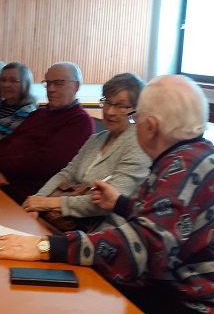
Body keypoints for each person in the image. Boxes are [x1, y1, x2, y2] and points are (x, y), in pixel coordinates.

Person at [0, 75, 214, 314]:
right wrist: (122, 204)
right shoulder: (196, 154)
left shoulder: (181, 168)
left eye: (136, 117)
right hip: (179, 295)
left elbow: (142, 250)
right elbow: (171, 222)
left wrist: (46, 246)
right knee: (73, 296)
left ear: (150, 126)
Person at [22, 72, 150, 231]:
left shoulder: (139, 145)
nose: (110, 112)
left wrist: (50, 203)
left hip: (104, 230)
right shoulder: (96, 139)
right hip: (67, 222)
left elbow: (109, 201)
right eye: (107, 102)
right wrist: (38, 200)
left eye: (120, 106)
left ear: (136, 110)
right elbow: (67, 173)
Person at [0, 62, 94, 203]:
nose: (51, 89)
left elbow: (49, 162)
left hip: (28, 196)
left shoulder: (79, 120)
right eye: (48, 83)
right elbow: (4, 143)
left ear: (76, 86)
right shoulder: (39, 113)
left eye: (58, 83)